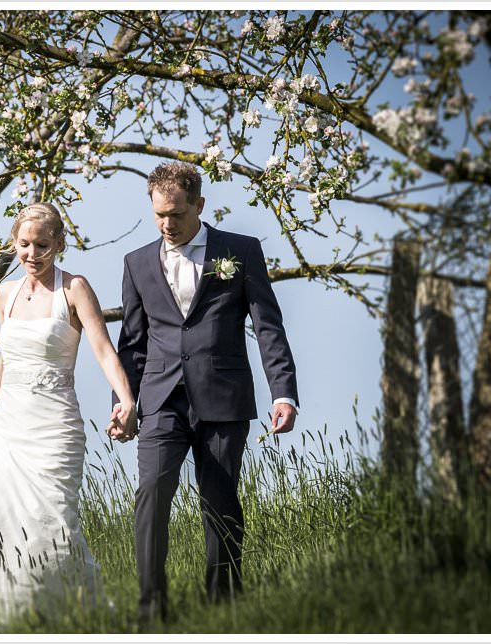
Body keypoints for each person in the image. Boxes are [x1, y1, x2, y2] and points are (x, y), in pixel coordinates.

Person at [0, 202, 136, 627]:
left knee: (49, 518)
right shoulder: (5, 294)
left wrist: (126, 400)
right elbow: (8, 357)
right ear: (14, 243)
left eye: (43, 245)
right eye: (24, 244)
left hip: (54, 426)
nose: (32, 253)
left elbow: (104, 350)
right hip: (7, 424)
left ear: (60, 244)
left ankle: (67, 614)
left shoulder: (75, 289)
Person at [109, 162, 299, 622]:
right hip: (159, 400)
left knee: (219, 499)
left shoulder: (240, 251)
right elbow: (133, 343)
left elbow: (268, 326)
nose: (166, 224)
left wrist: (283, 394)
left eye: (175, 214)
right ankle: (151, 607)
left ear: (199, 205)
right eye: (159, 215)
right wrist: (123, 403)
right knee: (152, 491)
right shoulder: (136, 263)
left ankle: (224, 604)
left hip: (223, 395)